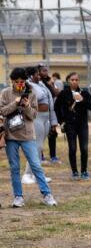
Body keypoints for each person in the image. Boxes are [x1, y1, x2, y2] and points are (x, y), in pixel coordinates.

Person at [1, 68, 57, 207]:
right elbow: (2, 111)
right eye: (16, 82)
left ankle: (47, 194)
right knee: (14, 167)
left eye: (22, 81)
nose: (20, 84)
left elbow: (33, 115)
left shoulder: (31, 93)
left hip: (27, 135)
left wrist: (26, 106)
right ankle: (18, 197)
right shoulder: (6, 93)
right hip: (11, 135)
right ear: (12, 81)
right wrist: (15, 103)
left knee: (36, 165)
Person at [55, 72, 91, 179]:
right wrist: (61, 121)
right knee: (72, 148)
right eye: (72, 80)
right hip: (70, 125)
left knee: (84, 148)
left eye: (76, 80)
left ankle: (84, 171)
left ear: (79, 81)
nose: (74, 82)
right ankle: (74, 172)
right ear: (68, 81)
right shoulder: (63, 93)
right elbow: (56, 107)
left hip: (82, 125)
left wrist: (82, 100)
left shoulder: (84, 93)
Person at [22, 66, 57, 184]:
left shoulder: (42, 84)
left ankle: (36, 175)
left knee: (39, 148)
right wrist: (30, 82)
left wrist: (53, 122)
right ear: (31, 76)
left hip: (45, 118)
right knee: (36, 147)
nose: (39, 75)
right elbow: (36, 97)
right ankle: (27, 174)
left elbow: (51, 100)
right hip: (36, 118)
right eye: (37, 74)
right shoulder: (28, 85)